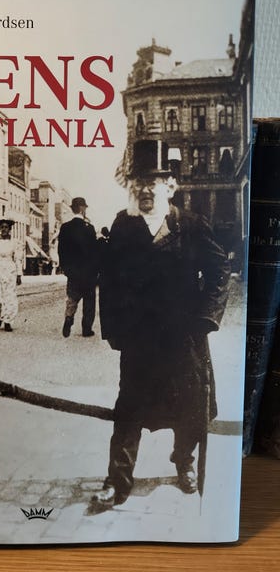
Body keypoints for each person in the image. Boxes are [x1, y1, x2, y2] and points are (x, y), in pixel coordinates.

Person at [93, 139, 230, 509]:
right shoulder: (124, 226)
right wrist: (114, 330)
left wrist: (207, 316)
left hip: (184, 336)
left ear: (170, 186)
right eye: (138, 182)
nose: (144, 189)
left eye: (152, 182)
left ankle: (184, 462)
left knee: (191, 405)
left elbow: (220, 270)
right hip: (140, 339)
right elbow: (110, 280)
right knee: (129, 408)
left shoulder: (191, 225)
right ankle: (117, 481)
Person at [58, 197, 98, 338]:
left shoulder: (65, 227)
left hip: (73, 271)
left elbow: (61, 250)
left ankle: (69, 317)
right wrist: (96, 270)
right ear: (82, 208)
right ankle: (87, 329)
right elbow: (94, 252)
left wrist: (65, 268)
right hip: (88, 272)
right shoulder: (89, 228)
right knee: (89, 301)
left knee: (72, 297)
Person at [0, 214, 23, 332]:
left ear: (10, 229)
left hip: (10, 269)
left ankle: (8, 321)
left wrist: (19, 274)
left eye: (6, 227)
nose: (4, 229)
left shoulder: (15, 243)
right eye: (2, 227)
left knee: (9, 295)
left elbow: (18, 259)